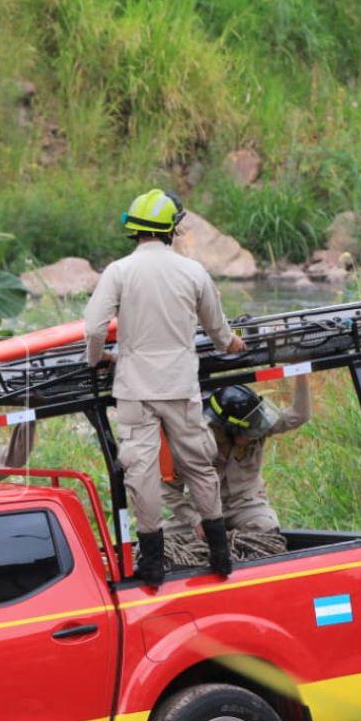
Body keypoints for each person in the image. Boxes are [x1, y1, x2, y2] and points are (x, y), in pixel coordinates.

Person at [84, 188, 246, 584]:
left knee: (141, 471)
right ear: (172, 229)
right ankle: (221, 556)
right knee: (198, 466)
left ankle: (153, 564)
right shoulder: (192, 272)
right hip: (180, 386)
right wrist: (232, 344)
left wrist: (97, 359)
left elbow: (92, 328)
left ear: (135, 230)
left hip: (135, 389)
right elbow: (217, 328)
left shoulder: (118, 272)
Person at [163, 377, 311, 560]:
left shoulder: (257, 422)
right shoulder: (191, 444)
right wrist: (194, 520)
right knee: (163, 543)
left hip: (246, 504)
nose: (255, 435)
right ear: (228, 430)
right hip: (202, 509)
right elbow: (167, 489)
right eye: (248, 434)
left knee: (265, 529)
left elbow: (299, 415)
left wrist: (301, 376)